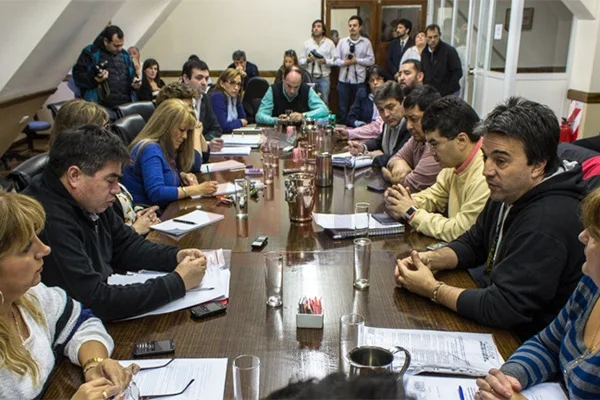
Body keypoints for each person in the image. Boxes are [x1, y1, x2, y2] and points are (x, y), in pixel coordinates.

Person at [394, 97, 586, 341]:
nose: (486, 170)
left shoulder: (547, 222)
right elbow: (474, 241)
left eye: (501, 160)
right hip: (499, 317)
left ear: (537, 165)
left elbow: (504, 307)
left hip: (524, 342)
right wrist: (431, 259)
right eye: (486, 157)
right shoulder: (509, 190)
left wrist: (432, 289)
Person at [24, 125, 209, 321]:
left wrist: (176, 257)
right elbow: (94, 300)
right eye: (110, 180)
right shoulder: (48, 219)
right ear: (74, 176)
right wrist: (178, 282)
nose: (117, 190)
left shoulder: (92, 199)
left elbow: (126, 245)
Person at [0, 191, 137, 399]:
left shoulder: (31, 295)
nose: (44, 249)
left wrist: (94, 364)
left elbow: (80, 321)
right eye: (26, 247)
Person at [476, 187, 600, 400]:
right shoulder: (591, 284)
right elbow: (547, 345)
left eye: (595, 235)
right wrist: (508, 380)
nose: (581, 236)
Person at [49, 99, 161, 235]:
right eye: (102, 130)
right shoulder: (86, 189)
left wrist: (138, 212)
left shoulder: (102, 168)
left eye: (108, 128)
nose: (109, 136)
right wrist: (135, 229)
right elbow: (106, 244)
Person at [385, 96, 489, 242]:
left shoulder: (485, 175)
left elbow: (461, 231)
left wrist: (411, 212)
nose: (431, 152)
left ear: (461, 140)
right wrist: (402, 201)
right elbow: (434, 196)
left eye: (434, 144)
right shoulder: (453, 164)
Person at [122, 99, 218, 208]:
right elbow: (156, 192)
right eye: (181, 130)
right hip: (149, 215)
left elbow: (161, 173)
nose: (185, 136)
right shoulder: (150, 149)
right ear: (166, 126)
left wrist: (181, 176)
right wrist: (197, 189)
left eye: (187, 131)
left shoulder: (165, 147)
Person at [72, 25, 140, 120]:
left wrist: (135, 83)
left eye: (121, 45)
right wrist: (95, 79)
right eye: (116, 45)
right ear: (106, 41)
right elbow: (78, 76)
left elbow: (132, 75)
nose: (119, 48)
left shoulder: (125, 55)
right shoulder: (91, 52)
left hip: (124, 108)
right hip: (101, 109)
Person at [384, 85, 442, 192]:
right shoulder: (417, 139)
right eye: (406, 119)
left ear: (432, 116)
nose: (408, 126)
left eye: (414, 119)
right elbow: (394, 158)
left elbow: (412, 185)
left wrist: (389, 175)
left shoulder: (438, 146)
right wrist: (400, 163)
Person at [347, 81, 411, 168]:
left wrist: (374, 156)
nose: (386, 114)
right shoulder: (388, 123)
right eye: (381, 110)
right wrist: (363, 147)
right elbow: (379, 142)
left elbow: (397, 158)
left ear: (403, 102)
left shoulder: (410, 127)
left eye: (390, 107)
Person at [334, 15, 375, 125]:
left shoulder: (366, 42)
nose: (352, 28)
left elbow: (371, 60)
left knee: (359, 105)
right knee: (342, 107)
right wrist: (344, 62)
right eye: (350, 26)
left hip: (359, 80)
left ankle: (358, 127)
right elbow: (335, 60)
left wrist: (357, 60)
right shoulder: (342, 42)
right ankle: (342, 130)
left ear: (360, 27)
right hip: (344, 80)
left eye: (355, 26)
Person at [255, 66, 329, 126]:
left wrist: (303, 116)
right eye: (289, 86)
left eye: (296, 87)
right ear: (283, 79)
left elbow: (324, 110)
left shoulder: (306, 90)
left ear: (301, 82)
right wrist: (277, 120)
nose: (292, 91)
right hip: (278, 134)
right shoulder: (273, 90)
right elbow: (259, 116)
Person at [334, 65, 387, 141]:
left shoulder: (390, 97)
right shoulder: (362, 94)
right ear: (368, 83)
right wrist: (360, 124)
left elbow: (378, 127)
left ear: (385, 80)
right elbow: (350, 118)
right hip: (363, 133)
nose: (375, 83)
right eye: (372, 80)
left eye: (378, 79)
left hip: (378, 135)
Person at [181, 58, 224, 147]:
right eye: (199, 78)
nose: (204, 82)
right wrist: (203, 144)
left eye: (206, 78)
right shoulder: (177, 101)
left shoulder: (205, 98)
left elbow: (216, 130)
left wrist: (206, 141)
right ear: (186, 78)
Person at [299, 19, 336, 105]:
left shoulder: (329, 43)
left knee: (324, 101)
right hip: (309, 77)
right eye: (314, 27)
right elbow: (300, 61)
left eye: (318, 26)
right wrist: (307, 60)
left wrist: (325, 61)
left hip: (324, 78)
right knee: (308, 101)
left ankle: (324, 119)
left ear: (323, 30)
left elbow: (335, 60)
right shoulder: (306, 44)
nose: (316, 28)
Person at [421, 24, 463, 96]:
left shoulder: (449, 51)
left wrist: (447, 89)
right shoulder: (424, 52)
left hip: (449, 93)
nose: (433, 40)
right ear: (426, 38)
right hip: (431, 93)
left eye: (435, 36)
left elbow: (457, 72)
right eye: (430, 37)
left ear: (440, 35)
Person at [210, 68, 248, 133]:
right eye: (232, 83)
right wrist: (240, 122)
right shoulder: (217, 97)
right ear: (222, 83)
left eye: (238, 84)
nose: (236, 88)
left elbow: (244, 119)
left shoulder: (235, 97)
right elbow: (223, 127)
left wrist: (239, 122)